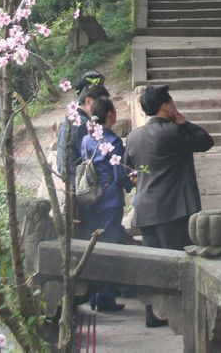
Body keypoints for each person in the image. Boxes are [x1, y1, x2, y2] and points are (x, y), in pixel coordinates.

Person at [123, 84, 214, 327]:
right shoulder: (174, 133)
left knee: (153, 262)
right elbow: (205, 141)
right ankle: (177, 314)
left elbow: (127, 168)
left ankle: (153, 314)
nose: (174, 106)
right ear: (165, 105)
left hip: (145, 209)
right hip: (173, 209)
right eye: (172, 102)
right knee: (177, 261)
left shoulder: (133, 137)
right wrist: (184, 122)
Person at [79, 97, 131, 312]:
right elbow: (119, 175)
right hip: (110, 199)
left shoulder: (87, 140)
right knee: (110, 247)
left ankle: (95, 294)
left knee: (95, 247)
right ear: (110, 114)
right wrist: (131, 181)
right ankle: (106, 297)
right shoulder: (114, 141)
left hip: (91, 198)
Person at [55, 82, 109, 181]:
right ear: (88, 101)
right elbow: (95, 156)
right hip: (78, 179)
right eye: (101, 105)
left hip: (67, 172)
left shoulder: (71, 116)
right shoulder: (83, 123)